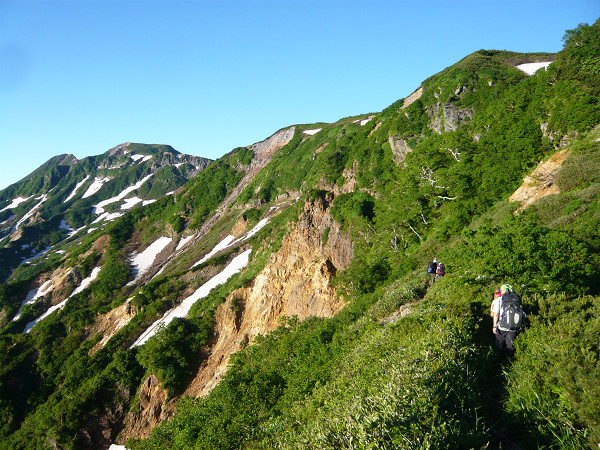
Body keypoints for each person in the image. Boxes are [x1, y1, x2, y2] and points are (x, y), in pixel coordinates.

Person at [491, 284, 524, 358]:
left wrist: (494, 326)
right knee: (510, 345)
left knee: (500, 344)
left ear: (502, 290)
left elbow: (496, 314)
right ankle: (510, 360)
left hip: (502, 326)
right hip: (514, 326)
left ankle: (499, 360)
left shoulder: (499, 299)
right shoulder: (516, 298)